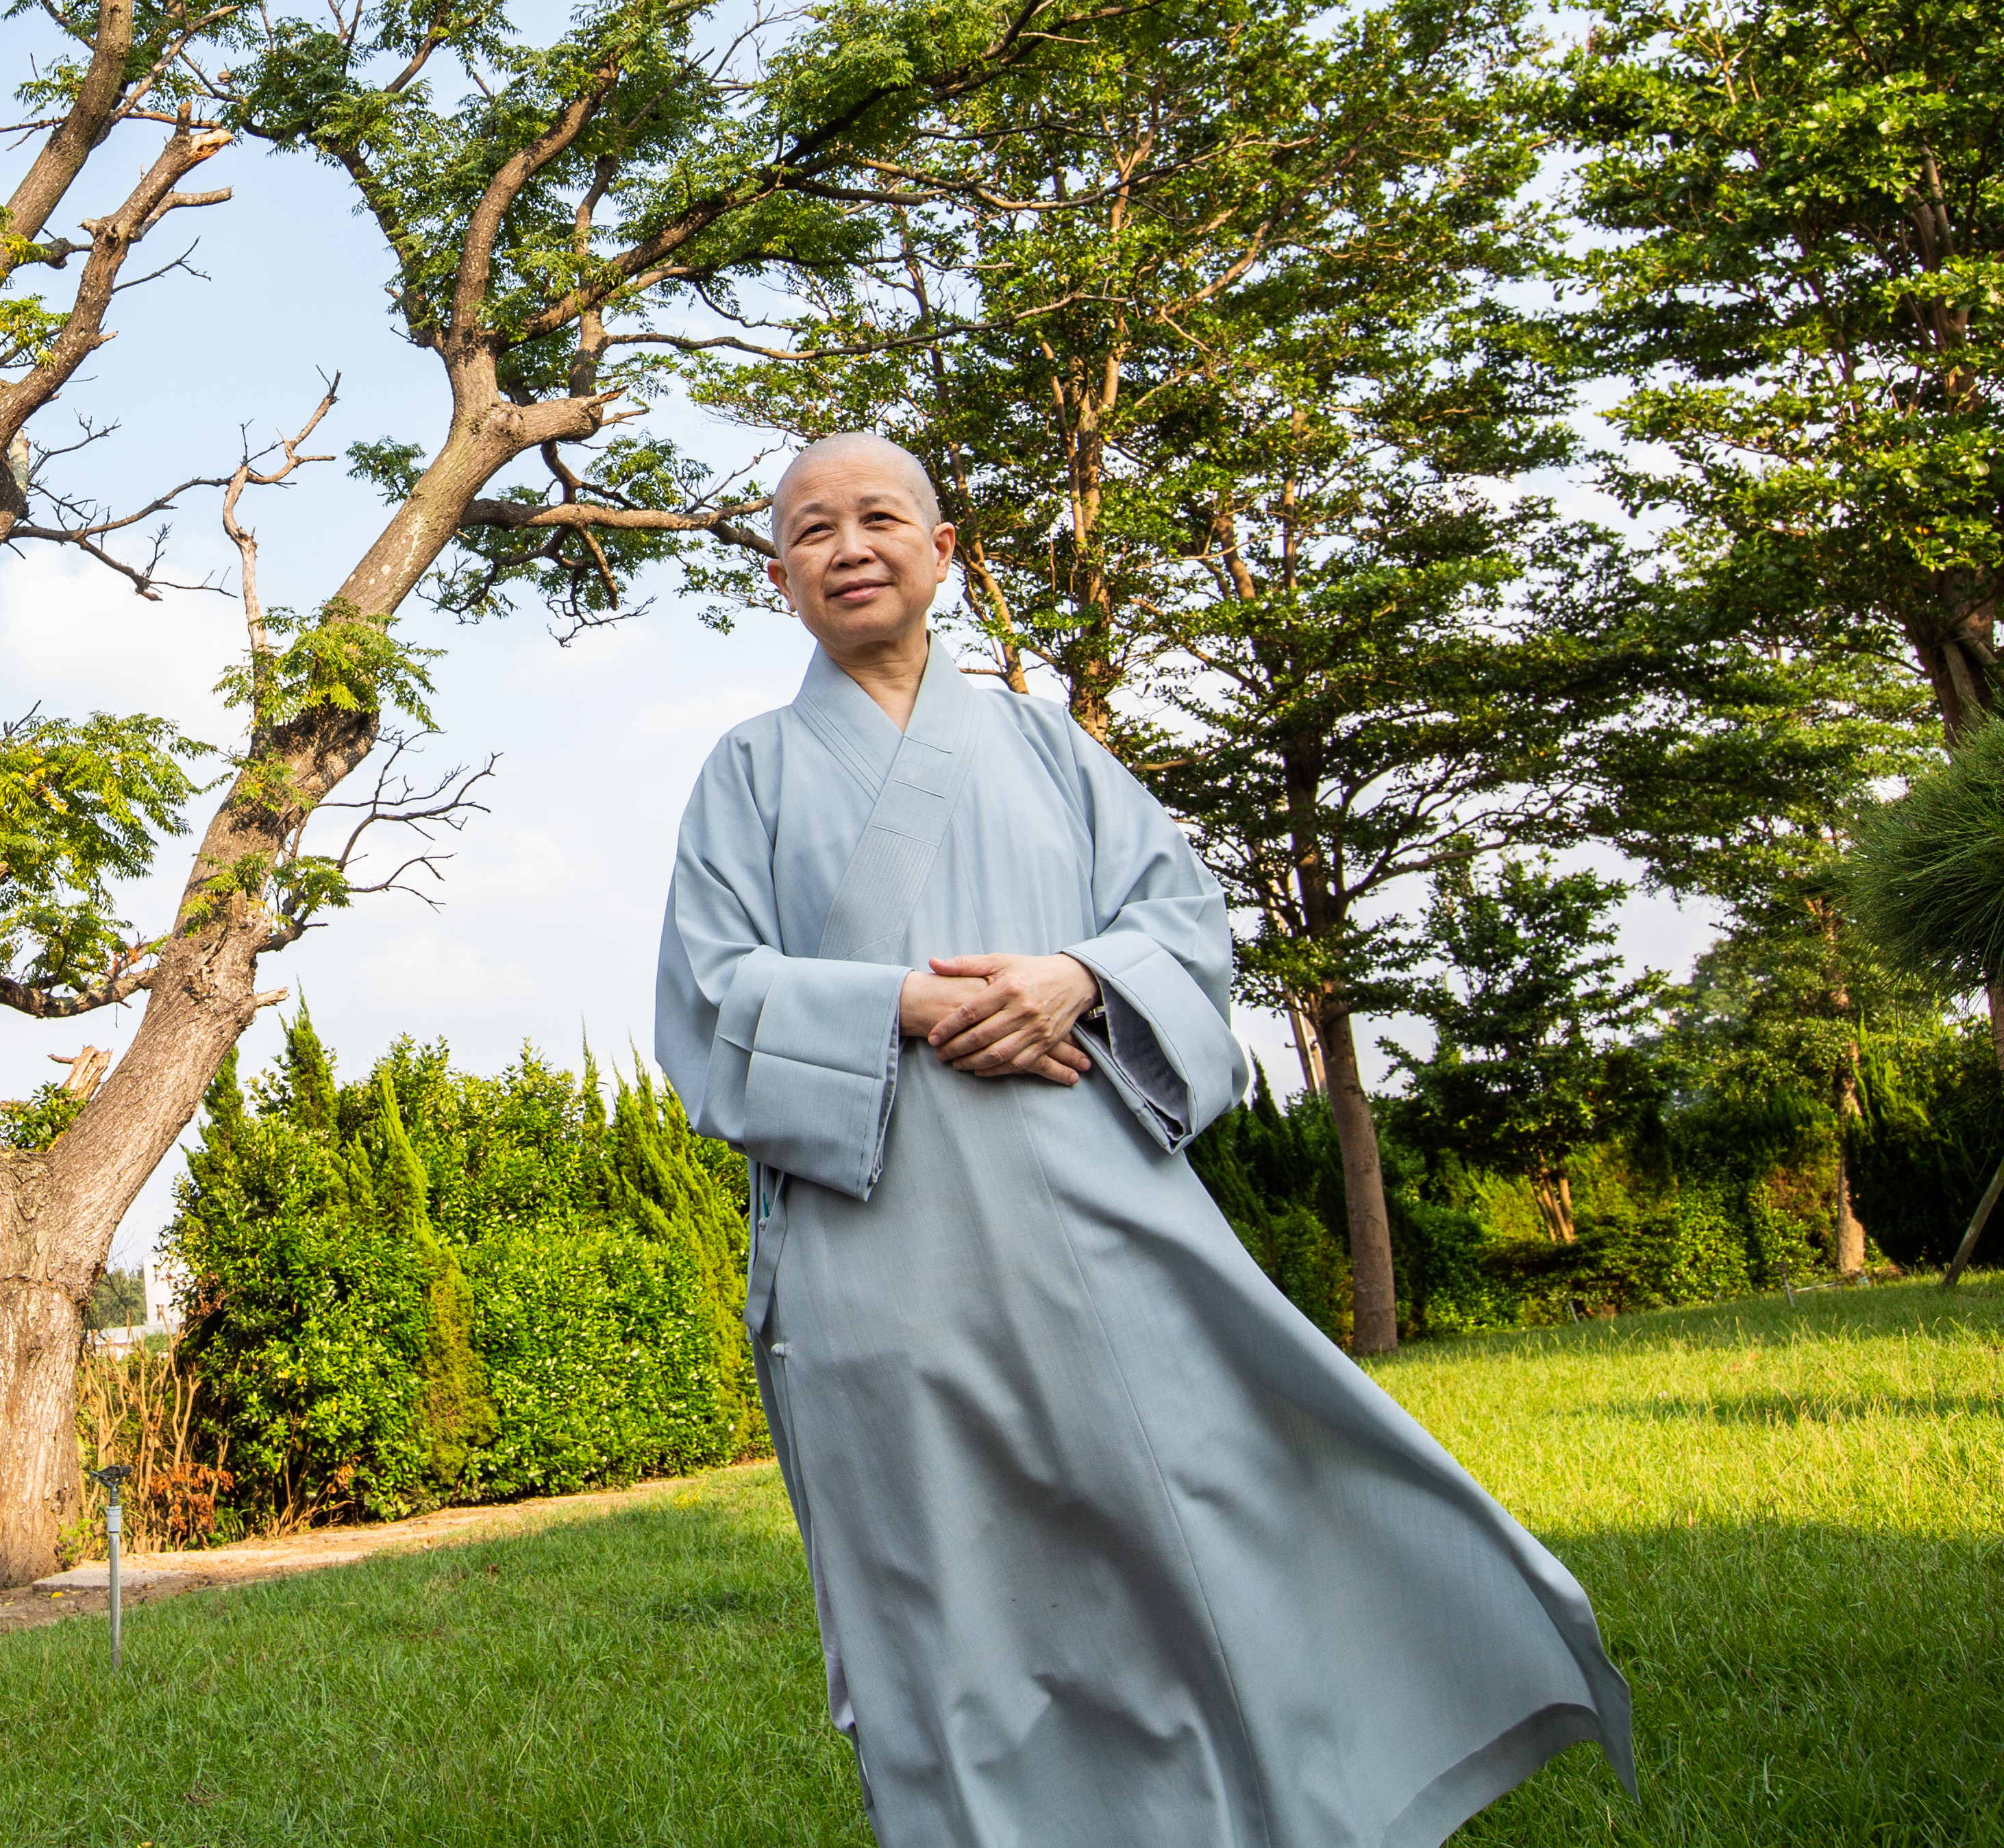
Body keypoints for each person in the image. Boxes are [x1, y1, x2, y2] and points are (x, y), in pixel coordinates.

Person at [653, 433, 1635, 1847]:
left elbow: (1178, 927)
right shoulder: (744, 774)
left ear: (946, 552)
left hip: (1091, 1218)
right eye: (814, 529)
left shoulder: (1048, 743)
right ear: (779, 576)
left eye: (881, 517)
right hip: (880, 1256)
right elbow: (706, 993)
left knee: (1197, 1523)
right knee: (948, 1588)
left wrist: (1078, 979)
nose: (849, 545)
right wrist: (908, 1003)